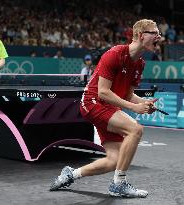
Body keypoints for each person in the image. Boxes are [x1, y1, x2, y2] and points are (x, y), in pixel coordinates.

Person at [49, 19, 161, 198]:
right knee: (136, 129)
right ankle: (119, 184)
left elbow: (127, 95)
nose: (159, 37)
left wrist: (143, 104)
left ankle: (70, 174)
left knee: (113, 160)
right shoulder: (115, 54)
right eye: (155, 33)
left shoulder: (140, 64)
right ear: (141, 36)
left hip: (107, 106)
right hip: (93, 102)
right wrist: (134, 108)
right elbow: (103, 92)